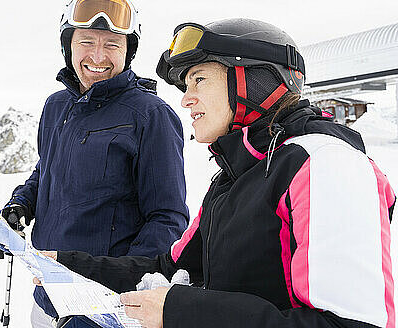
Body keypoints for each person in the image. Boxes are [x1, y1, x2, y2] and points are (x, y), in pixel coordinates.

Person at [42, 19, 396, 328]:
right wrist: (67, 264)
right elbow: (167, 266)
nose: (186, 99)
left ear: (252, 82)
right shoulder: (232, 176)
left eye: (198, 80)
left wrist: (179, 311)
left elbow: (350, 324)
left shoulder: (326, 165)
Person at [0, 0, 190, 327]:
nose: (98, 56)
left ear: (128, 52)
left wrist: (111, 292)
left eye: (113, 45)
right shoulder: (56, 106)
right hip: (46, 298)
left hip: (103, 308)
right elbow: (47, 168)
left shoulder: (150, 116)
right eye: (86, 41)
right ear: (68, 46)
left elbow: (167, 218)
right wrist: (21, 204)